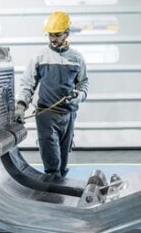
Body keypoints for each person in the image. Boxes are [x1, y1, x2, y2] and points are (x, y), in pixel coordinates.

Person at [16, 11, 89, 178]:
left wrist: (78, 95)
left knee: (62, 163)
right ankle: (51, 192)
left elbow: (84, 84)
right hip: (46, 115)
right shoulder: (40, 57)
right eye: (50, 35)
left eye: (57, 35)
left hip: (69, 115)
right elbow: (28, 84)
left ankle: (60, 188)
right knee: (52, 163)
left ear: (67, 34)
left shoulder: (77, 58)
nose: (52, 39)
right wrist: (21, 106)